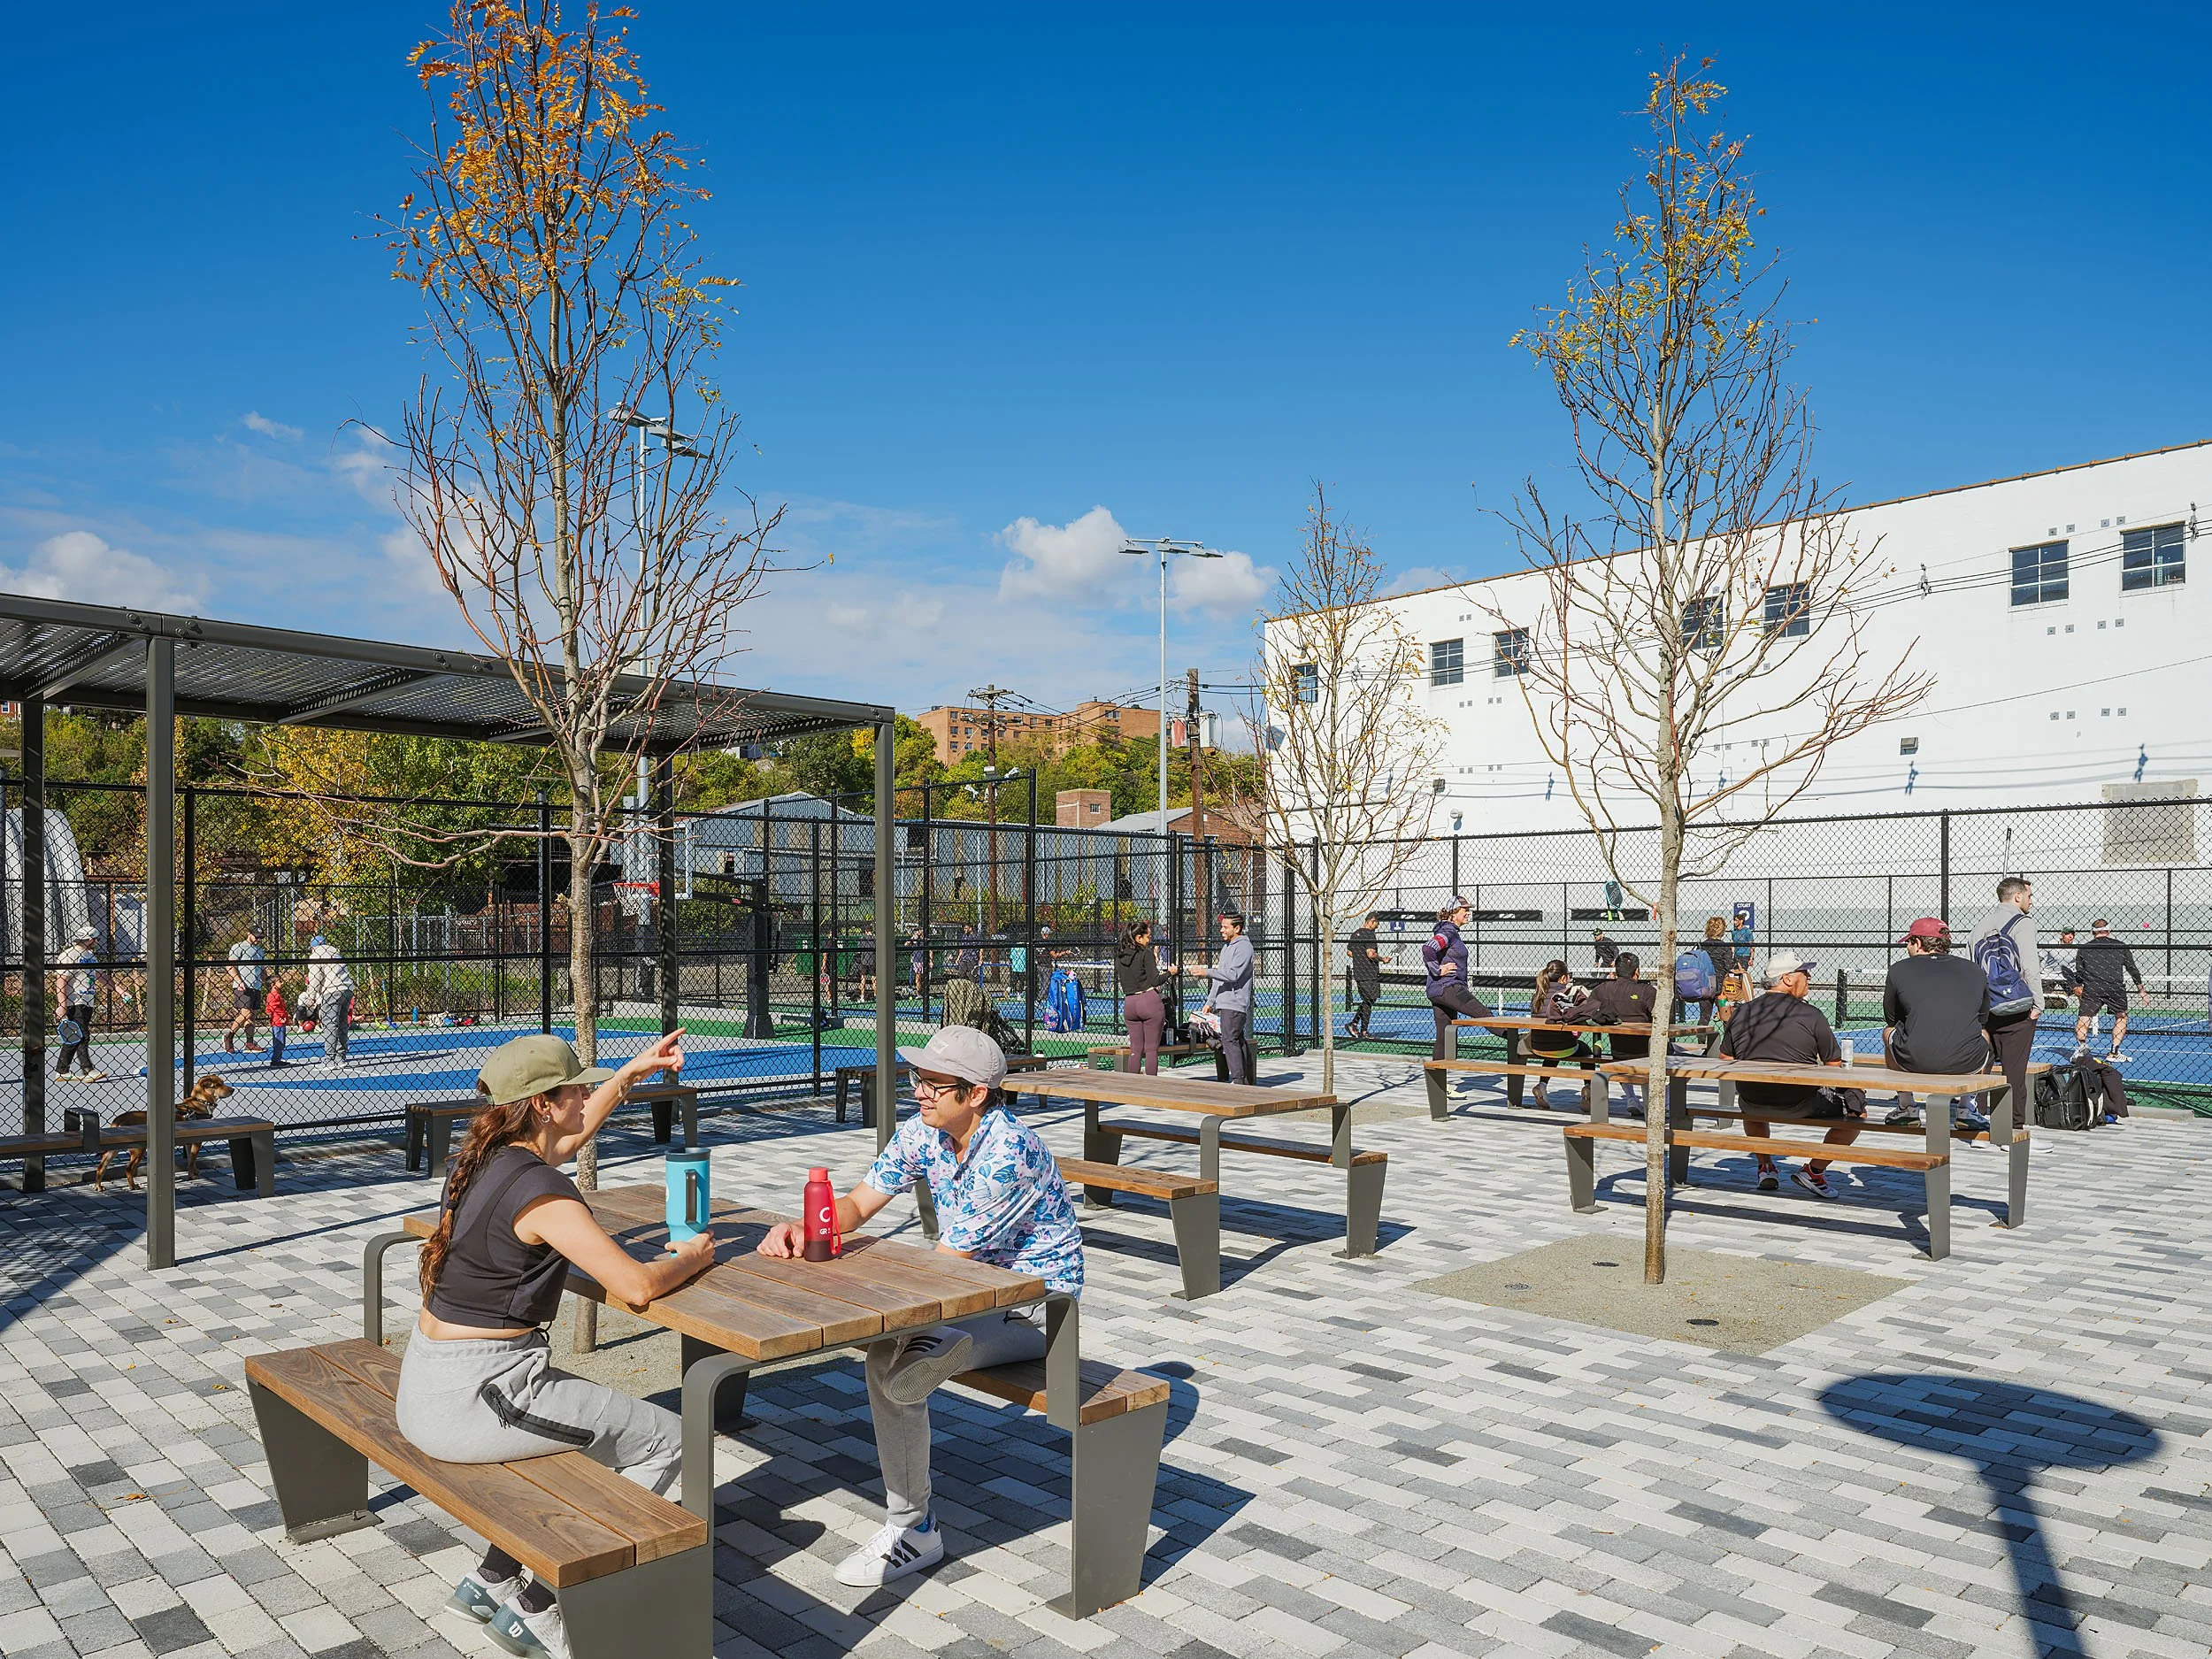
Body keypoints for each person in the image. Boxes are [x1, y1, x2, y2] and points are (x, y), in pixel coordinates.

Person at [397, 1030, 703, 1659]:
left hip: (431, 1380)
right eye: (578, 1085)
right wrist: (692, 1256)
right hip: (477, 1398)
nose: (586, 1091)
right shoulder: (543, 1193)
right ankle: (541, 1610)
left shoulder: (486, 1154)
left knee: (584, 1433)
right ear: (542, 1102)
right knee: (671, 1439)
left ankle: (490, 1577)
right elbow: (637, 1287)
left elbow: (569, 1135)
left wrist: (629, 1075)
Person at [757, 1025, 1082, 1587]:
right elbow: (858, 1204)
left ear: (975, 1093)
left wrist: (873, 1303)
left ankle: (915, 1528)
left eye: (933, 1084)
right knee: (893, 1356)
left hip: (1036, 1312)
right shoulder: (922, 1133)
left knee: (890, 1359)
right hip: (967, 1294)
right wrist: (801, 1227)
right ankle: (932, 1350)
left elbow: (945, 1265)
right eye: (918, 1080)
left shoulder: (1011, 1152)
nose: (919, 1092)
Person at [1714, 950, 1866, 1199]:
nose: (1808, 977)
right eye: (1804, 973)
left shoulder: (1742, 1012)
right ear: (1787, 979)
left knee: (1751, 1100)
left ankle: (1765, 1166)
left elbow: (1725, 1060)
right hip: (1800, 1101)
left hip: (1753, 1099)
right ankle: (1814, 1171)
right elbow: (1833, 1064)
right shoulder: (1811, 1014)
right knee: (1858, 1110)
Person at [1878, 919, 1991, 1133]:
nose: (1907, 947)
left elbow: (1891, 1019)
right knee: (1983, 1034)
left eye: (1909, 942)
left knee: (1888, 1032)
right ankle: (1967, 1108)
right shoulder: (1974, 969)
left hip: (1914, 1059)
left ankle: (1906, 1107)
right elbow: (1982, 1019)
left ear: (1918, 942)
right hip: (1967, 1062)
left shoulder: (1899, 969)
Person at [1968, 876, 2040, 1132]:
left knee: (1983, 1063)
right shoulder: (2023, 923)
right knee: (2014, 1070)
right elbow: (2030, 966)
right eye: (2029, 896)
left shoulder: (1979, 926)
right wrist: (2038, 1002)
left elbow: (1975, 968)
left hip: (1987, 1006)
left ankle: (1973, 1112)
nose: (2032, 900)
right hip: (2016, 1007)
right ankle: (2012, 1126)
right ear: (2017, 896)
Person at [1183, 910, 1256, 1084]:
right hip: (1225, 1003)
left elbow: (1232, 975)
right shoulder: (1227, 947)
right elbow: (1219, 976)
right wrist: (1210, 1001)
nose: (1221, 930)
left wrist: (1205, 972)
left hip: (1235, 1003)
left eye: (1225, 927)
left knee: (1229, 1039)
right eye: (1221, 926)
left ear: (1237, 928)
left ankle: (1238, 1081)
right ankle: (1246, 1081)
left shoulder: (1244, 947)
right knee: (1236, 1039)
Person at [1586, 952, 1655, 1116]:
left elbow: (1588, 1009)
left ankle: (1631, 1097)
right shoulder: (1647, 991)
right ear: (1637, 971)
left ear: (1616, 970)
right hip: (1646, 1054)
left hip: (1618, 1053)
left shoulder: (1603, 989)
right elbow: (1664, 1018)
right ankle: (1664, 1104)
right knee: (1678, 1056)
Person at [1422, 897, 1493, 1060]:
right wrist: (1438, 970)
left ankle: (1437, 1085)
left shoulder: (1448, 931)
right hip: (1449, 988)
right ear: (1453, 913)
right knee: (1484, 1014)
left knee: (1444, 1038)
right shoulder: (1449, 932)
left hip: (1437, 991)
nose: (1468, 913)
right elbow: (1428, 948)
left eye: (1469, 909)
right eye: (1465, 910)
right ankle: (1518, 1042)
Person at [2073, 918, 2146, 1064]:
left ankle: (2081, 1048)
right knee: (2121, 1017)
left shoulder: (2084, 948)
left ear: (2092, 932)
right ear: (2109, 930)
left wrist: (2079, 985)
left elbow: (2079, 972)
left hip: (2093, 989)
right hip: (2115, 988)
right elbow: (2132, 969)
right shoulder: (2120, 946)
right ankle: (2114, 1052)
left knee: (2084, 1018)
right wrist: (2141, 990)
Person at [1524, 959, 1594, 1108]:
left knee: (1552, 1048)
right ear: (1563, 978)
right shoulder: (1567, 995)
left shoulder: (1538, 995)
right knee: (1585, 1051)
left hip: (1538, 1046)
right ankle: (1589, 1089)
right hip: (1562, 1046)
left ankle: (1542, 1085)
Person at [51, 924, 108, 1082]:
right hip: (74, 1002)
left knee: (74, 1036)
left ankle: (62, 1071)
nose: (97, 942)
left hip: (87, 1002)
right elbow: (61, 980)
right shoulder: (69, 955)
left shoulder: (90, 956)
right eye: (97, 939)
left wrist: (120, 990)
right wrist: (62, 1004)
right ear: (90, 939)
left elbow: (100, 976)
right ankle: (88, 1070)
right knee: (82, 1035)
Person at [1115, 918, 1169, 1074]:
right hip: (1148, 1001)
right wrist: (1170, 973)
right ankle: (1151, 1088)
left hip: (1130, 1003)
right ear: (1139, 938)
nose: (1149, 939)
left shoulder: (1119, 956)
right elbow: (1155, 980)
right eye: (1148, 936)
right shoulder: (1146, 954)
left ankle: (1134, 1088)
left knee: (1135, 1049)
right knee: (1151, 1050)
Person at [303, 934, 355, 1066]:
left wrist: (311, 996)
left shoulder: (316, 955)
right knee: (342, 1023)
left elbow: (315, 977)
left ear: (312, 947)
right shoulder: (335, 953)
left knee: (330, 1024)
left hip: (332, 990)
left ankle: (329, 1059)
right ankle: (340, 1057)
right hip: (347, 988)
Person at [225, 923, 266, 1054]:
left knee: (252, 1016)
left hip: (256, 986)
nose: (258, 939)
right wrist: (239, 981)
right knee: (245, 1013)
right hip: (243, 986)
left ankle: (249, 1043)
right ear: (249, 934)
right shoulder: (238, 947)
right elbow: (230, 966)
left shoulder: (260, 950)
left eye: (260, 937)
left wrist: (267, 981)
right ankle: (229, 1036)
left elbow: (263, 970)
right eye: (256, 936)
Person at [1347, 912, 1382, 1039]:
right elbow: (1371, 954)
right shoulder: (1369, 934)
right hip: (1369, 973)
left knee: (1369, 1000)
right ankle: (1363, 1031)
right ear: (1372, 921)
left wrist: (1359, 956)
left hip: (1359, 972)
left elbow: (1349, 952)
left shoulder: (1355, 934)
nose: (1377, 927)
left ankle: (1354, 1024)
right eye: (1377, 924)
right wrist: (1383, 959)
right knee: (1369, 1000)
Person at [263, 976, 290, 1068]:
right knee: (280, 1041)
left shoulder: (273, 995)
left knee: (280, 1040)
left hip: (278, 1020)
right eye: (279, 981)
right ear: (273, 985)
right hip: (278, 1021)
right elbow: (273, 1008)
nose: (282, 983)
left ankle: (277, 1059)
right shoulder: (274, 995)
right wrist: (282, 1016)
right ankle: (275, 1060)